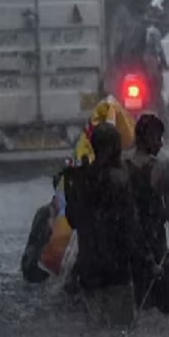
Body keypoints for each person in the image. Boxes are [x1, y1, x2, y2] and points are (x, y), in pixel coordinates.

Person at [64, 123, 160, 326]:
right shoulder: (122, 179)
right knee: (121, 332)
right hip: (116, 269)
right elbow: (130, 225)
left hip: (88, 268)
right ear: (113, 148)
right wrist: (148, 261)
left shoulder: (79, 179)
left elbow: (73, 220)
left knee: (94, 332)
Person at [126, 114, 169, 314]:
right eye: (157, 138)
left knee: (138, 300)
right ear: (145, 138)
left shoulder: (123, 164)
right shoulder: (163, 165)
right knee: (162, 304)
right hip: (155, 241)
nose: (160, 143)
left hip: (131, 244)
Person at [143, 5, 169, 122]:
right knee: (157, 98)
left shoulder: (143, 30)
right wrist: (164, 64)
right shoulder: (155, 32)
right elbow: (159, 52)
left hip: (143, 69)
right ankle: (164, 126)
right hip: (152, 69)